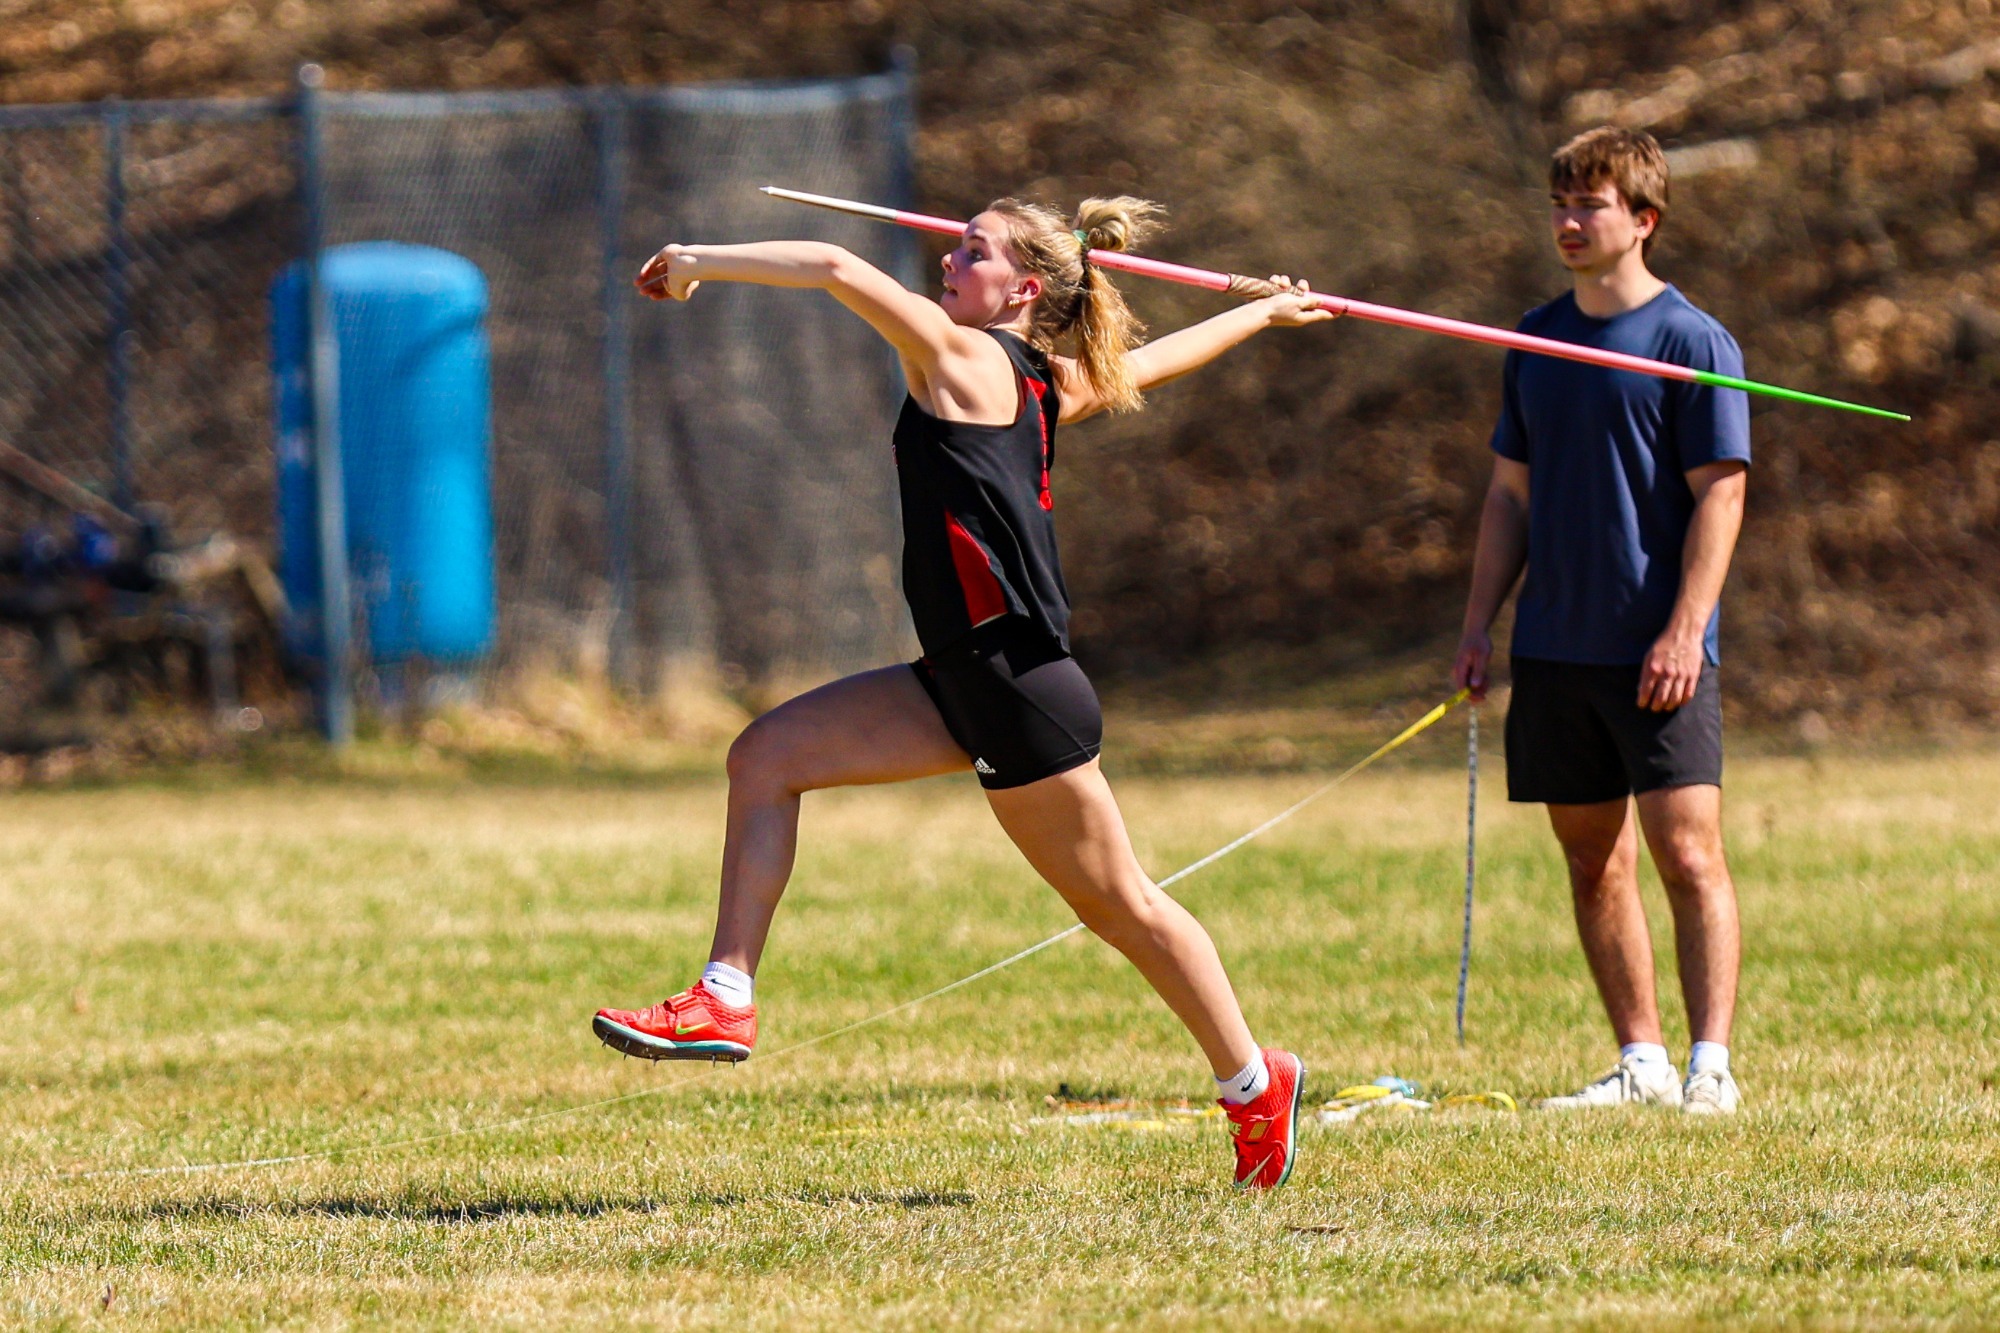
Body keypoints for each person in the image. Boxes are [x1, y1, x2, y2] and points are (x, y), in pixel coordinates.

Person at [595, 195, 1336, 1187]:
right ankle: (723, 992)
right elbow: (1145, 368)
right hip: (960, 677)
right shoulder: (1037, 379)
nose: (950, 257)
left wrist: (695, 256)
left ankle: (1253, 1081)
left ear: (1023, 288)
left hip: (1015, 687)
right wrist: (1258, 313)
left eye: (972, 250)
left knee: (1121, 906)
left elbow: (829, 266)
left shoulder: (966, 358)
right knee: (764, 757)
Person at [1452, 127, 1751, 1115]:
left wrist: (1681, 629)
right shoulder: (1533, 340)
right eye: (1558, 205)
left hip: (1655, 650)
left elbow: (1719, 494)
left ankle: (1709, 1065)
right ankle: (1640, 1061)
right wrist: (1476, 623)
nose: (1568, 222)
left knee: (1688, 853)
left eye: (1589, 205)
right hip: (1552, 648)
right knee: (1592, 861)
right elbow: (1507, 498)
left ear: (1642, 220)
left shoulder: (1691, 342)